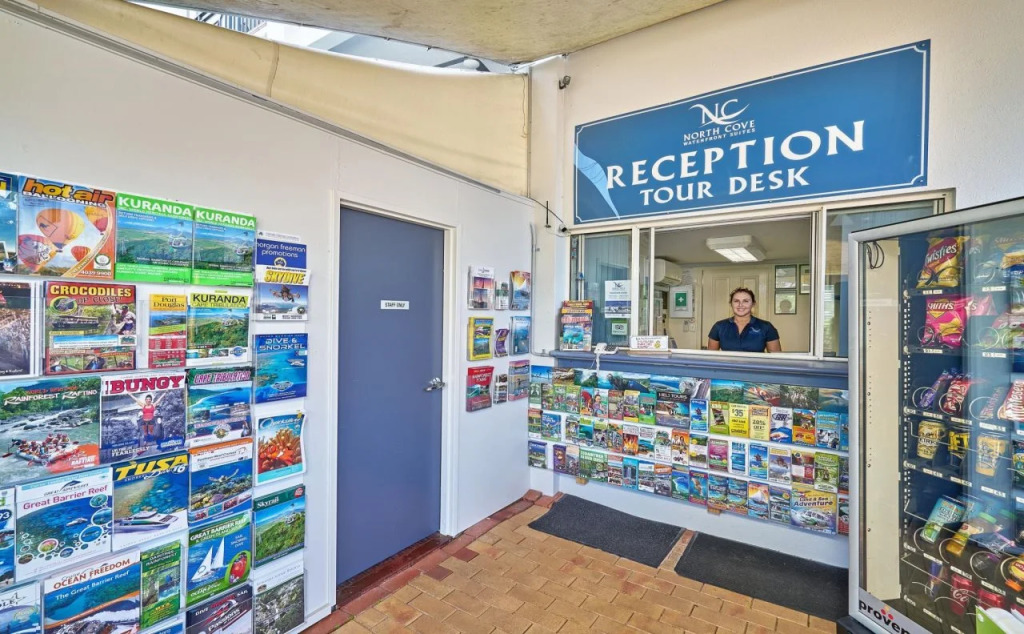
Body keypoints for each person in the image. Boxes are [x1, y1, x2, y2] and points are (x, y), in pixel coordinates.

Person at [706, 287, 782, 353]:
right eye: (736, 301)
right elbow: (711, 358)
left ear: (753, 304)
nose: (740, 305)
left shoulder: (766, 327)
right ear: (731, 304)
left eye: (745, 301)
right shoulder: (719, 327)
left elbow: (776, 359)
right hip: (727, 366)